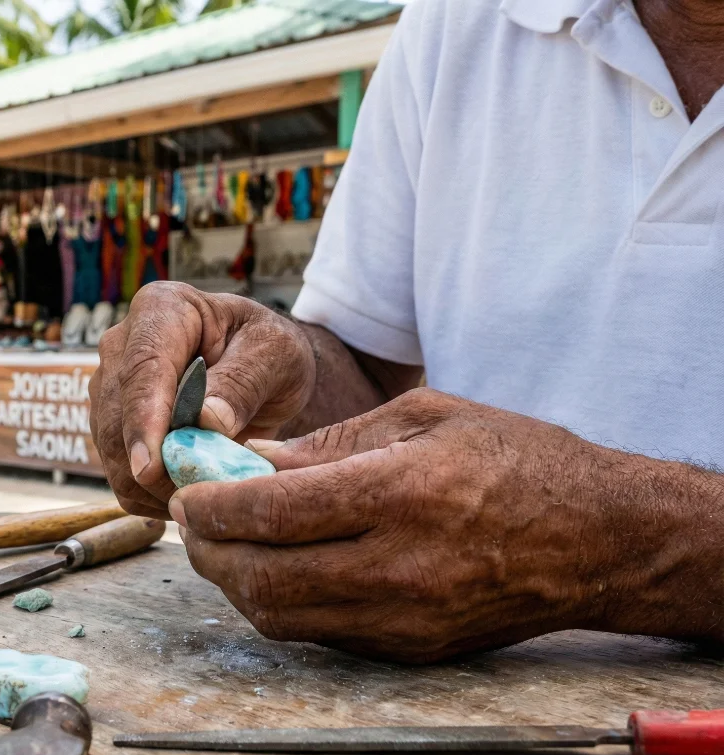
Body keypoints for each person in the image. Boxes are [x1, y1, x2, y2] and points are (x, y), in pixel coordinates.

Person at [90, 0, 724, 663]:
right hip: (469, 703)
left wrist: (611, 543)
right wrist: (282, 370)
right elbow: (366, 368)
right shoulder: (460, 20)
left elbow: (601, 539)